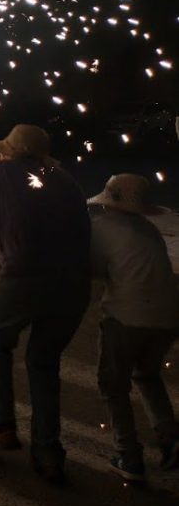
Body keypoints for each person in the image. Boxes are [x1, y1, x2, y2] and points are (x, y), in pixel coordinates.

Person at [0, 124, 91, 484]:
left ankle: (1, 425)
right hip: (73, 284)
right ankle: (49, 453)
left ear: (11, 151)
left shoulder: (0, 171)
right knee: (43, 362)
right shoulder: (63, 178)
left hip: (23, 276)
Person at [88, 173, 179, 482]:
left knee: (113, 386)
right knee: (147, 375)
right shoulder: (149, 230)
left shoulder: (102, 229)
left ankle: (129, 455)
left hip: (125, 318)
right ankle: (170, 437)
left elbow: (94, 271)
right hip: (167, 318)